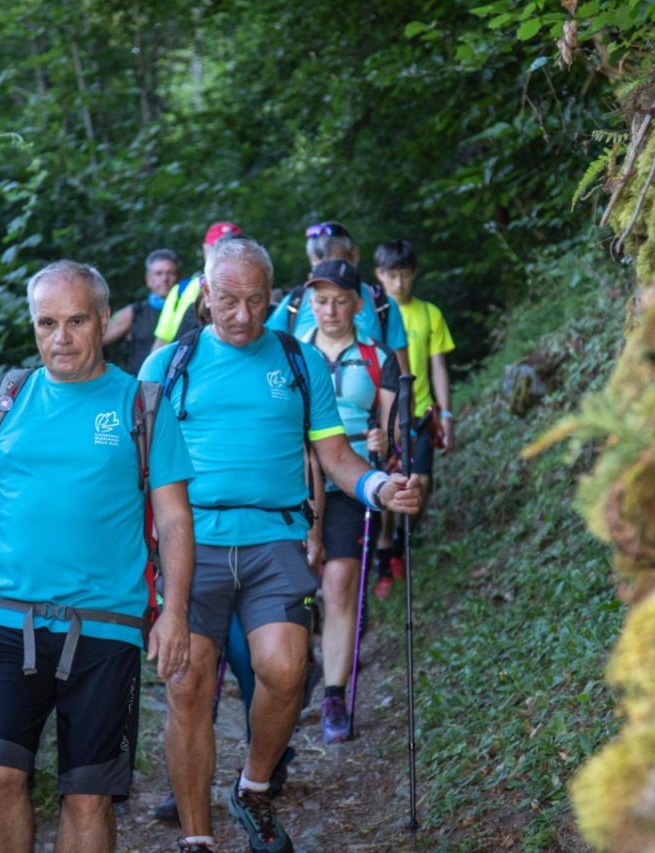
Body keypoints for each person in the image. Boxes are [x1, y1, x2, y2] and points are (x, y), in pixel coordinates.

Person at [139, 237, 420, 853]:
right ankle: (196, 838)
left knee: (288, 670)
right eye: (229, 301)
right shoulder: (166, 367)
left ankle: (254, 789)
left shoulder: (299, 361)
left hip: (275, 540)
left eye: (256, 301)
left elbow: (337, 457)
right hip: (193, 545)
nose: (242, 316)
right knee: (188, 683)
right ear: (205, 296)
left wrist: (379, 487)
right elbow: (135, 472)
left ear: (275, 298)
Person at [0, 260, 196, 853]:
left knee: (87, 794)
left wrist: (173, 612)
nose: (61, 337)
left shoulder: (142, 405)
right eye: (47, 323)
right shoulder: (5, 400)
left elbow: (175, 517)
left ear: (105, 321)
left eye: (76, 321)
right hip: (5, 617)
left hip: (107, 624)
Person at [299, 258, 399, 744]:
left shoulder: (379, 356)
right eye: (321, 300)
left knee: (338, 584)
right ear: (308, 304)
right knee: (294, 589)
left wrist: (386, 450)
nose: (330, 310)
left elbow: (393, 430)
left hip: (351, 481)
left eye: (341, 300)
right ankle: (296, 667)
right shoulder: (291, 356)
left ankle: (334, 694)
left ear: (358, 305)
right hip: (295, 482)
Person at [372, 239, 455, 599]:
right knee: (389, 485)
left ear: (414, 274)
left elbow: (439, 366)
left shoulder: (430, 313)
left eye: (405, 274)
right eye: (392, 275)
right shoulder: (374, 314)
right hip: (387, 417)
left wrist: (446, 413)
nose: (399, 282)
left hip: (421, 414)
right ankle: (385, 552)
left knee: (421, 484)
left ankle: (404, 542)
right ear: (379, 276)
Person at [265, 221, 409, 374]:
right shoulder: (295, 303)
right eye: (318, 268)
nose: (329, 273)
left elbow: (403, 376)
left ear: (354, 256)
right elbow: (264, 356)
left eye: (337, 265)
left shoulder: (382, 305)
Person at [152, 221, 242, 352]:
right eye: (219, 248)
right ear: (206, 249)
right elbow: (162, 342)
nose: (226, 254)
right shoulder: (181, 290)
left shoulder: (252, 289)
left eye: (234, 248)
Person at [102, 248, 181, 374]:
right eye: (158, 274)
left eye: (170, 273)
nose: (165, 279)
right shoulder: (134, 312)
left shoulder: (189, 312)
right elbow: (95, 339)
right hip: (141, 388)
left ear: (178, 277)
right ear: (148, 279)